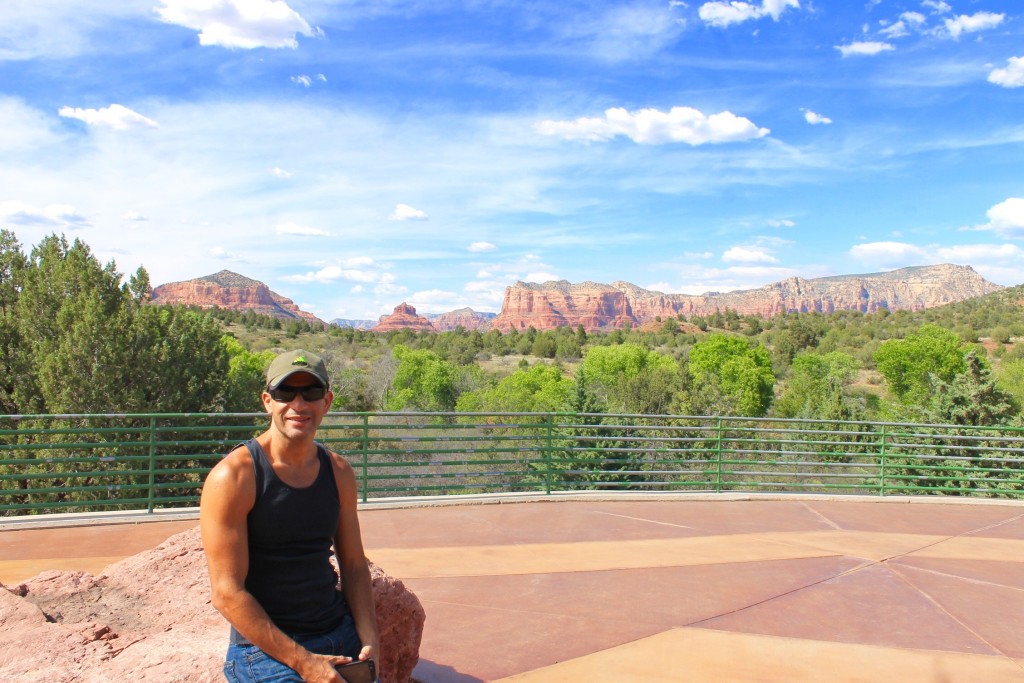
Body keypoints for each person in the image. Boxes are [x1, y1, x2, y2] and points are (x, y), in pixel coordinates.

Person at [200, 349, 379, 683]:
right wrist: (304, 663)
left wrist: (370, 637)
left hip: (339, 632)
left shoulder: (338, 471)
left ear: (326, 401)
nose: (299, 404)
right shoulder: (235, 476)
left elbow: (353, 563)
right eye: (286, 393)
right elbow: (226, 592)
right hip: (266, 649)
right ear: (268, 401)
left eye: (310, 393)